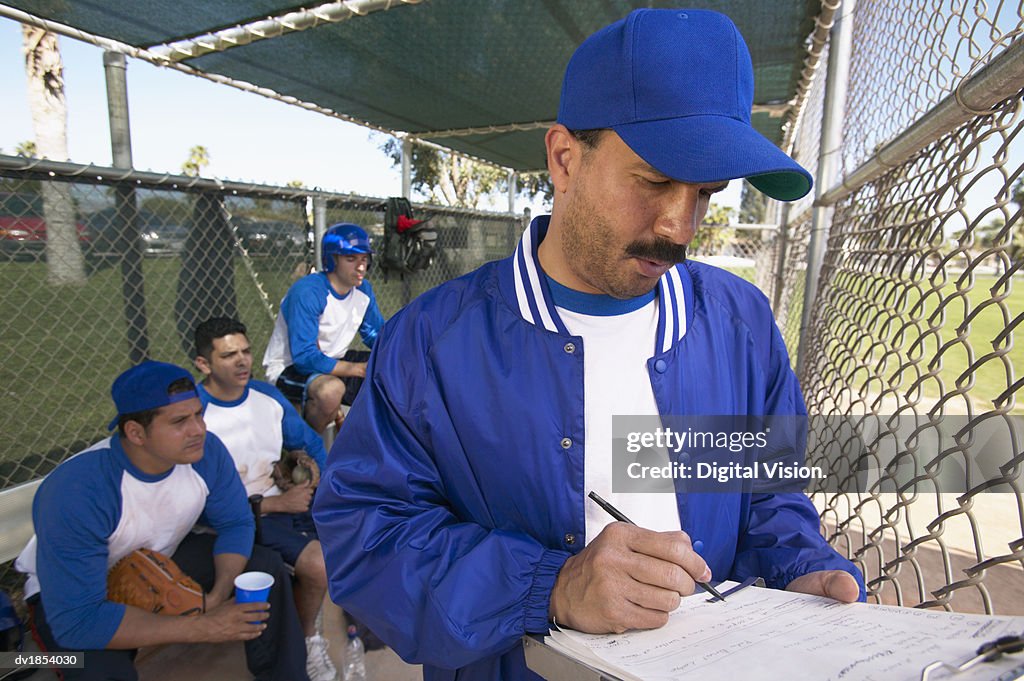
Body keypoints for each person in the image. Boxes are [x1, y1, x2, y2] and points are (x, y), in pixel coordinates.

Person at [312, 9, 866, 681]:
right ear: (565, 158)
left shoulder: (739, 322)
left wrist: (801, 567)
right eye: (656, 180)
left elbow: (766, 492)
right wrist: (551, 586)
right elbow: (367, 538)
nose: (679, 225)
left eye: (707, 193)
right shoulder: (431, 342)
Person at [15, 360, 308, 681]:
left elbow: (236, 524)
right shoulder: (78, 490)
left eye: (198, 414)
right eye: (180, 421)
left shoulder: (205, 452)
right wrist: (202, 627)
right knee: (96, 671)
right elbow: (78, 623)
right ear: (136, 432)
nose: (198, 429)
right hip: (73, 599)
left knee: (264, 567)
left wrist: (216, 597)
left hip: (158, 561)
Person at [193, 316, 337, 681]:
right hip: (235, 520)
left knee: (356, 530)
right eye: (228, 356)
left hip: (285, 501)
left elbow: (308, 443)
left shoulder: (266, 396)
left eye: (246, 351)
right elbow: (192, 502)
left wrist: (317, 478)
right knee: (318, 564)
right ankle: (308, 641)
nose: (242, 361)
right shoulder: (193, 416)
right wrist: (270, 505)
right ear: (203, 364)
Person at [263, 223, 384, 433]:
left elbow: (379, 336)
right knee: (331, 390)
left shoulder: (363, 290)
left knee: (395, 371)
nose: (361, 267)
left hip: (334, 359)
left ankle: (361, 448)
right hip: (289, 367)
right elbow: (304, 358)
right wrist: (356, 369)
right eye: (351, 259)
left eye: (364, 258)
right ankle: (305, 450)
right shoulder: (309, 292)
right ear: (332, 259)